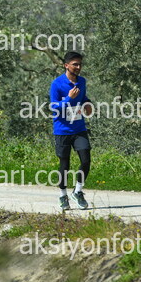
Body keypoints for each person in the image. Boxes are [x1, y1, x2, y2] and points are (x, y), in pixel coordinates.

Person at [50, 51, 93, 210]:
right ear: (66, 65)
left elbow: (83, 98)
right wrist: (68, 98)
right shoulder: (56, 84)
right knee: (64, 164)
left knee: (86, 160)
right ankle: (63, 195)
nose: (78, 67)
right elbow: (54, 107)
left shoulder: (82, 82)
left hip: (79, 128)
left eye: (80, 64)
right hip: (62, 130)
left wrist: (88, 104)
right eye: (75, 64)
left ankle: (78, 191)